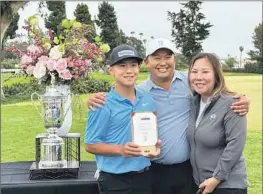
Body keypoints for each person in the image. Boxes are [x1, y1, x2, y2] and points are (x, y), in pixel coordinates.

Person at [87, 38, 250, 194]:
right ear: (147, 62)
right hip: (154, 171)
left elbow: (215, 89)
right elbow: (121, 87)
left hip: (188, 170)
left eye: (168, 57)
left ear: (174, 59)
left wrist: (242, 98)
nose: (163, 62)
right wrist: (95, 97)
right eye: (157, 57)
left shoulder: (190, 82)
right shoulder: (142, 92)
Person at [84, 44, 160, 194]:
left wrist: (151, 149)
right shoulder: (101, 103)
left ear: (139, 68)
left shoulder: (148, 100)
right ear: (111, 70)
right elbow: (91, 145)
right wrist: (121, 150)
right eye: (122, 66)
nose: (129, 71)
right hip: (115, 181)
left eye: (133, 65)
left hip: (145, 176)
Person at [187, 53, 248, 194]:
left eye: (205, 71)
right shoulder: (194, 103)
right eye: (194, 72)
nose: (199, 77)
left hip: (227, 186)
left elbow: (235, 145)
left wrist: (216, 178)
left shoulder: (233, 103)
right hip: (202, 184)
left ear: (216, 75)